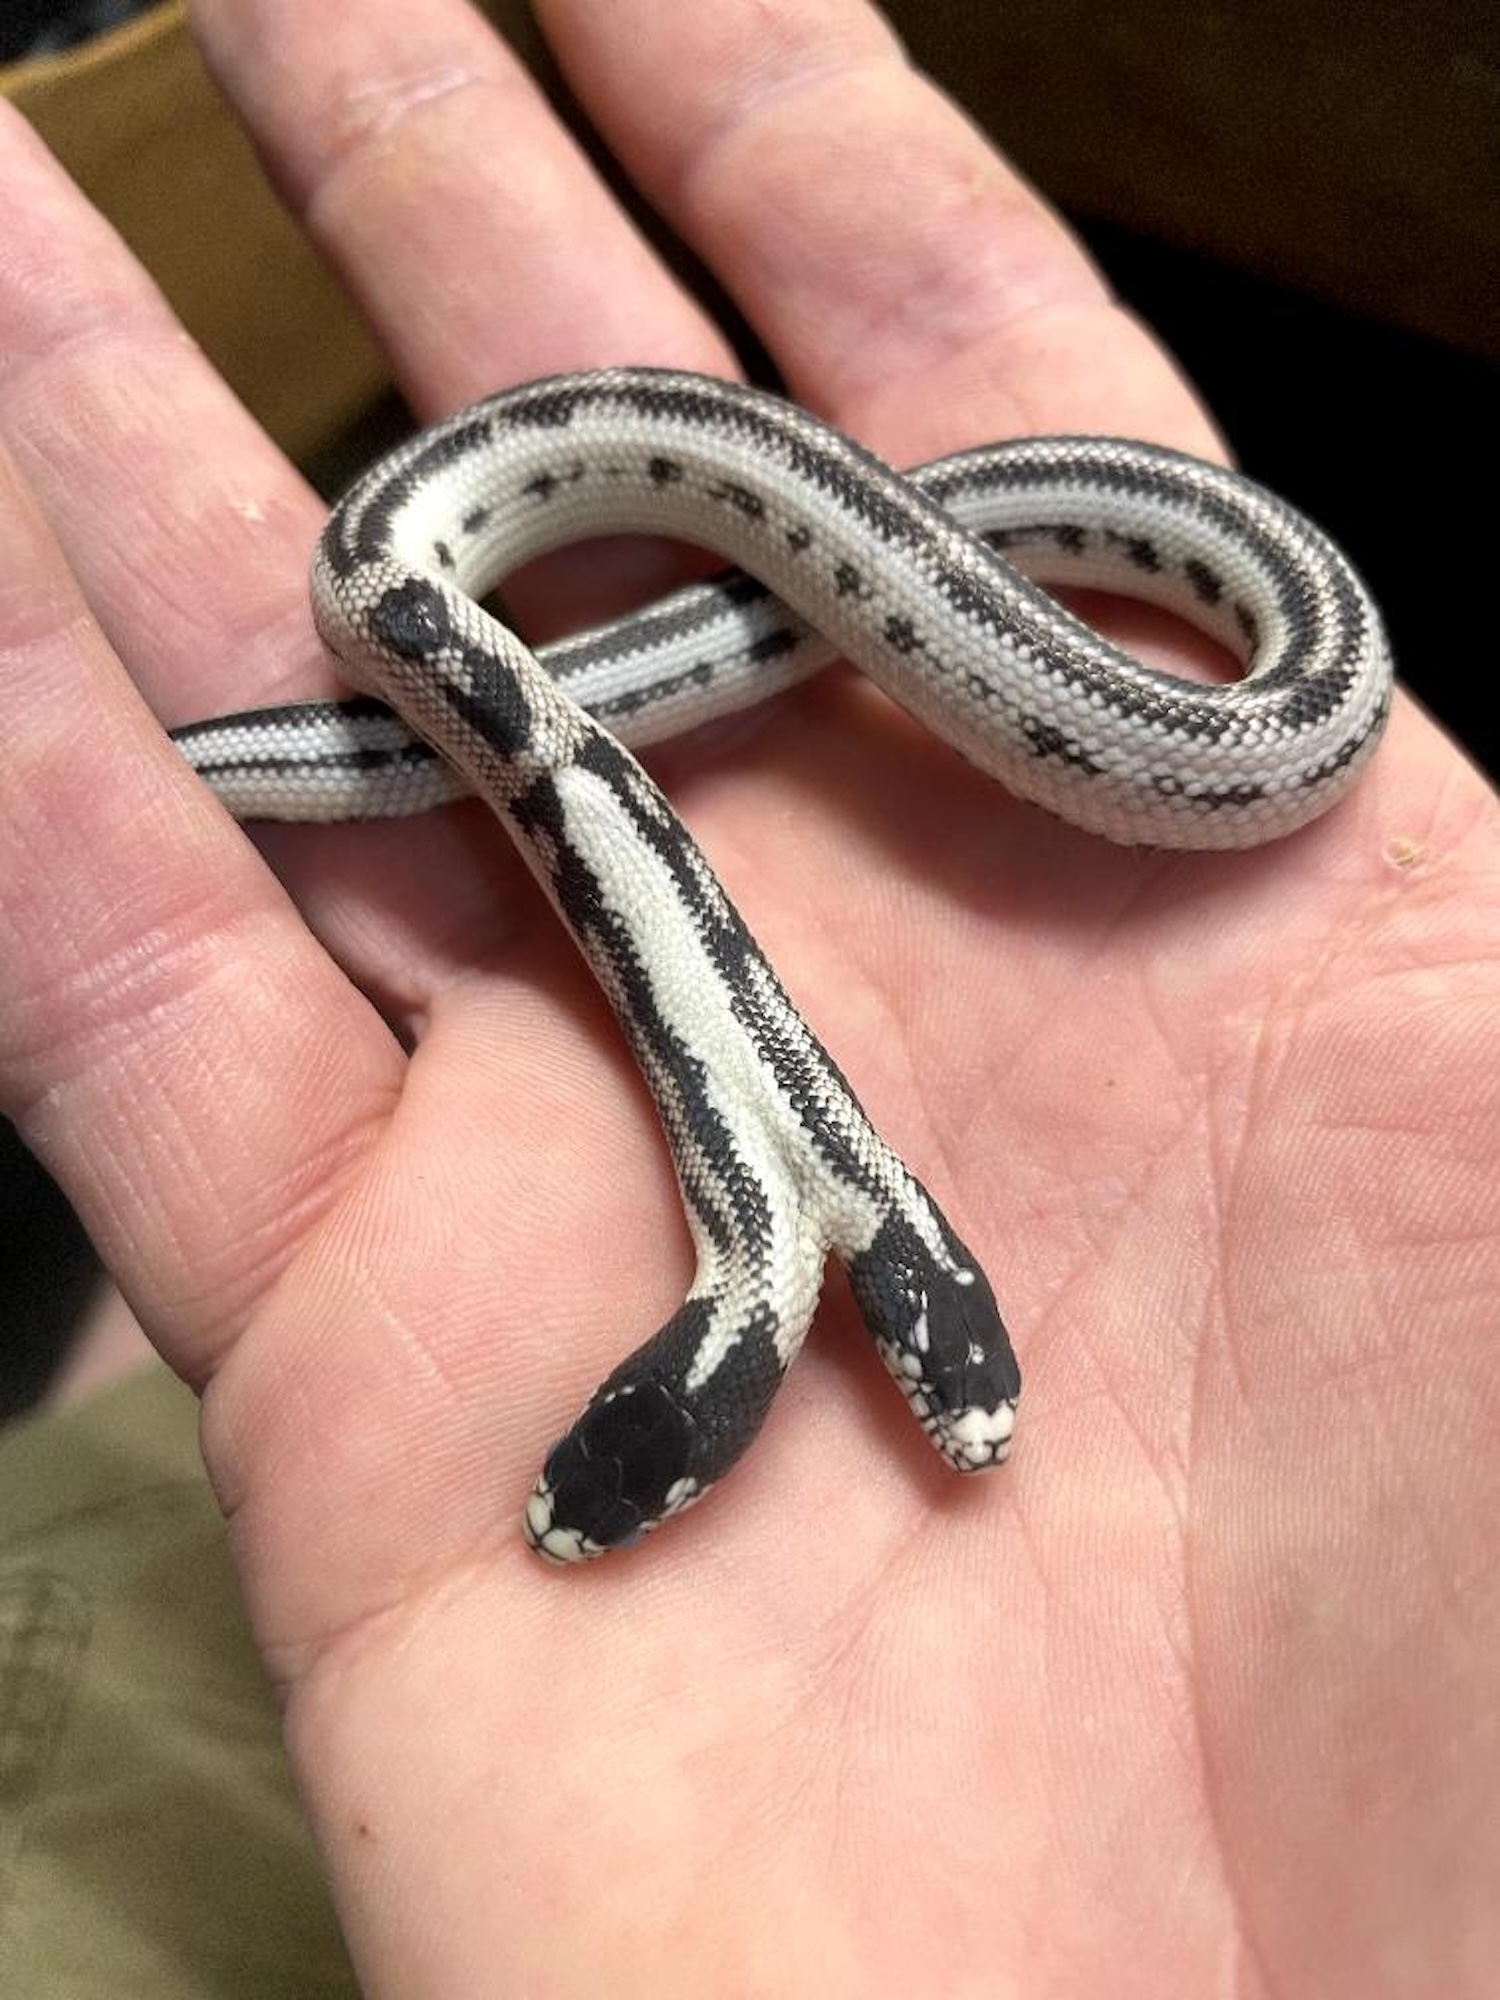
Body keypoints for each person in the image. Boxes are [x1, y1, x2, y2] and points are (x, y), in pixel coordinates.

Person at [1, 0, 1496, 1991]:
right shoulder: (399, 593)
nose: (963, 1426)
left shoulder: (1255, 730)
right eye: (610, 1500)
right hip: (459, 558)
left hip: (1124, 691)